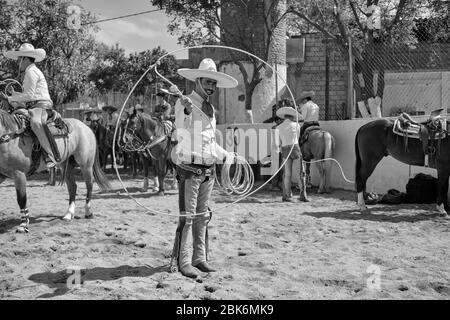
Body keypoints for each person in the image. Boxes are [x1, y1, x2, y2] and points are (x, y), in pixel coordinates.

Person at [171, 58, 238, 278]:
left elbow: (208, 142)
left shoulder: (210, 109)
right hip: (190, 168)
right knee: (188, 216)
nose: (211, 86)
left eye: (213, 83)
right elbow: (181, 130)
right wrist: (188, 112)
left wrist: (227, 155)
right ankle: (183, 262)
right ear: (198, 80)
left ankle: (200, 258)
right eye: (207, 81)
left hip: (207, 170)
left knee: (202, 216)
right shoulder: (184, 102)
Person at [0, 43, 58, 169]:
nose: (18, 63)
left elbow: (30, 95)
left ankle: (50, 154)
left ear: (25, 59)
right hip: (32, 106)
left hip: (42, 105)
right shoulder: (29, 71)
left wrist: (9, 98)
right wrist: (14, 96)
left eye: (19, 59)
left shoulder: (31, 72)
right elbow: (27, 95)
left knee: (36, 123)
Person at [275, 106, 303, 202]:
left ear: (285, 117)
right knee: (299, 173)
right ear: (291, 117)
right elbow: (298, 138)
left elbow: (277, 143)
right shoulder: (297, 125)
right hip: (295, 148)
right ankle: (303, 194)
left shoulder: (278, 127)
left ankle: (287, 195)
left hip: (285, 149)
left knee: (287, 173)